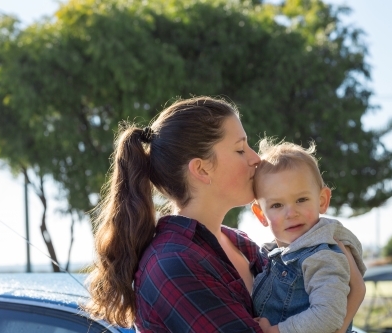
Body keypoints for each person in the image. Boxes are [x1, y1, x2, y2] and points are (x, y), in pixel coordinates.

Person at [84, 96, 365, 332]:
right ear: (202, 170)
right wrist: (354, 291)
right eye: (240, 149)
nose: (256, 158)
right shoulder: (173, 264)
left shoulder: (240, 243)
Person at [250, 140, 367, 333]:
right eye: (277, 205)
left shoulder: (321, 255)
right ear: (261, 214)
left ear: (322, 201)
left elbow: (327, 315)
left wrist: (274, 331)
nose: (291, 213)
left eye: (301, 200)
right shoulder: (269, 255)